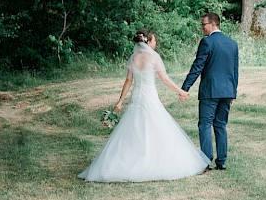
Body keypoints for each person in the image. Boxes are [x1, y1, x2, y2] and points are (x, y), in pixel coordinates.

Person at [79, 29, 210, 183]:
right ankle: (153, 161)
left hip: (137, 98)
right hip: (150, 97)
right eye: (154, 40)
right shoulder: (154, 57)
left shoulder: (133, 58)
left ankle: (131, 159)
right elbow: (165, 79)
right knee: (156, 127)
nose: (156, 43)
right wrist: (181, 91)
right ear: (148, 41)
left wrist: (120, 102)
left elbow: (128, 81)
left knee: (135, 128)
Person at [181, 13, 239, 170]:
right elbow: (234, 71)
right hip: (227, 91)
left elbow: (197, 66)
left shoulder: (207, 42)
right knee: (220, 125)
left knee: (205, 124)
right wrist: (233, 91)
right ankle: (222, 161)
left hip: (210, 91)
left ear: (213, 24)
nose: (202, 28)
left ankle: (206, 161)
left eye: (204, 24)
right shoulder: (232, 43)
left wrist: (185, 87)